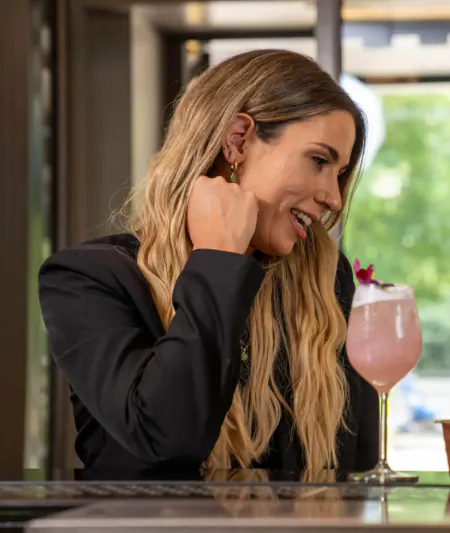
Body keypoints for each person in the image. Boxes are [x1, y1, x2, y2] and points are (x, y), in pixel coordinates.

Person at [38, 49, 378, 474]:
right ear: (237, 140)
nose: (334, 197)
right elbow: (168, 437)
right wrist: (218, 258)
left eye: (339, 173)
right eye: (319, 161)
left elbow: (358, 467)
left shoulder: (329, 282)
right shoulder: (89, 280)